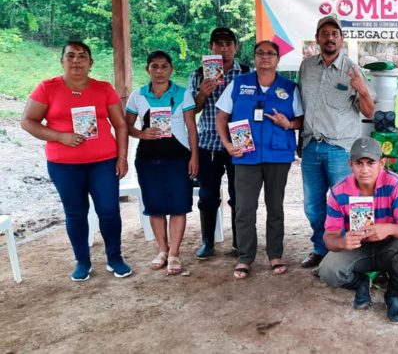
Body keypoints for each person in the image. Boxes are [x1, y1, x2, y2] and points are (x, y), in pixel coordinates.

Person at [21, 41, 132, 281]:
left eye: (82, 56)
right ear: (62, 61)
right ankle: (82, 260)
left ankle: (115, 258)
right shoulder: (47, 88)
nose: (76, 61)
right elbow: (28, 121)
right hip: (64, 166)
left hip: (103, 162)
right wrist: (60, 136)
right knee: (75, 213)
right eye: (70, 56)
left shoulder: (103, 89)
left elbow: (121, 124)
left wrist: (122, 157)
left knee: (109, 211)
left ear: (90, 63)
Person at [215, 40, 303, 279]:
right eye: (260, 53)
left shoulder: (289, 87)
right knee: (244, 208)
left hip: (278, 155)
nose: (265, 57)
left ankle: (275, 254)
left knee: (275, 207)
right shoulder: (238, 83)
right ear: (254, 57)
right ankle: (245, 257)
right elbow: (221, 117)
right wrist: (227, 144)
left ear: (278, 59)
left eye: (271, 54)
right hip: (245, 156)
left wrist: (289, 124)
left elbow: (302, 121)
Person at [297, 15, 375, 269]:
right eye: (325, 33)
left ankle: (351, 252)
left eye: (335, 34)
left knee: (347, 203)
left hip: (340, 149)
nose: (330, 38)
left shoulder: (352, 69)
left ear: (342, 39)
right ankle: (321, 249)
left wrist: (362, 89)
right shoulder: (306, 67)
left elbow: (369, 112)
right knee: (313, 206)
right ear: (318, 38)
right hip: (311, 146)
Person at [319, 137, 398, 324]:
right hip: (357, 248)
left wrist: (388, 228)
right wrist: (343, 242)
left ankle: (393, 294)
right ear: (350, 164)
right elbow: (329, 237)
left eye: (370, 163)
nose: (365, 169)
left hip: (389, 246)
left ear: (381, 163)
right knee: (328, 271)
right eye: (359, 163)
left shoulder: (394, 184)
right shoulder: (338, 191)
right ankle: (361, 283)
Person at [125, 51, 199, 276]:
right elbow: (126, 126)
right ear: (147, 69)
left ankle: (175, 253)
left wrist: (194, 156)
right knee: (155, 207)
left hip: (178, 157)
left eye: (164, 67)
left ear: (171, 69)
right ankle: (162, 250)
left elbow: (191, 127)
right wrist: (141, 133)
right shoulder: (138, 95)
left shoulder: (183, 94)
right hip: (147, 158)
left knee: (178, 206)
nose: (159, 71)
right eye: (154, 66)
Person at [188, 27, 250, 260]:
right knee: (207, 196)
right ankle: (208, 242)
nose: (223, 49)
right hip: (209, 143)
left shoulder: (245, 73)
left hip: (239, 143)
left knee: (239, 196)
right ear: (210, 48)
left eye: (228, 44)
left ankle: (238, 242)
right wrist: (202, 93)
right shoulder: (198, 74)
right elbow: (192, 110)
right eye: (218, 44)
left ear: (235, 47)